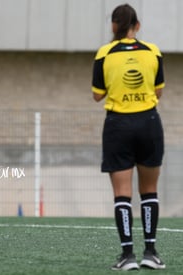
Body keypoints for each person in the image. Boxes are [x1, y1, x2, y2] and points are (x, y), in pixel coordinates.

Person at [92, 4, 166, 271]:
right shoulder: (153, 51)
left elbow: (97, 95)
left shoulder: (104, 53)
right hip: (148, 123)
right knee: (149, 191)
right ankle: (150, 252)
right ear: (138, 25)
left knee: (122, 194)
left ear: (114, 25)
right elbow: (158, 92)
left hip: (118, 125)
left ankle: (127, 256)